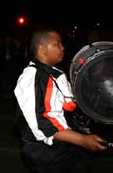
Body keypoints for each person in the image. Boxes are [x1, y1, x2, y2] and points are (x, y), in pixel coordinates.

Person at [13, 27, 108, 173]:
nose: (62, 47)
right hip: (48, 154)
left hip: (64, 146)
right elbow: (44, 124)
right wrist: (83, 140)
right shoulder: (36, 78)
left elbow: (62, 108)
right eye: (57, 44)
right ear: (42, 49)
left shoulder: (51, 73)